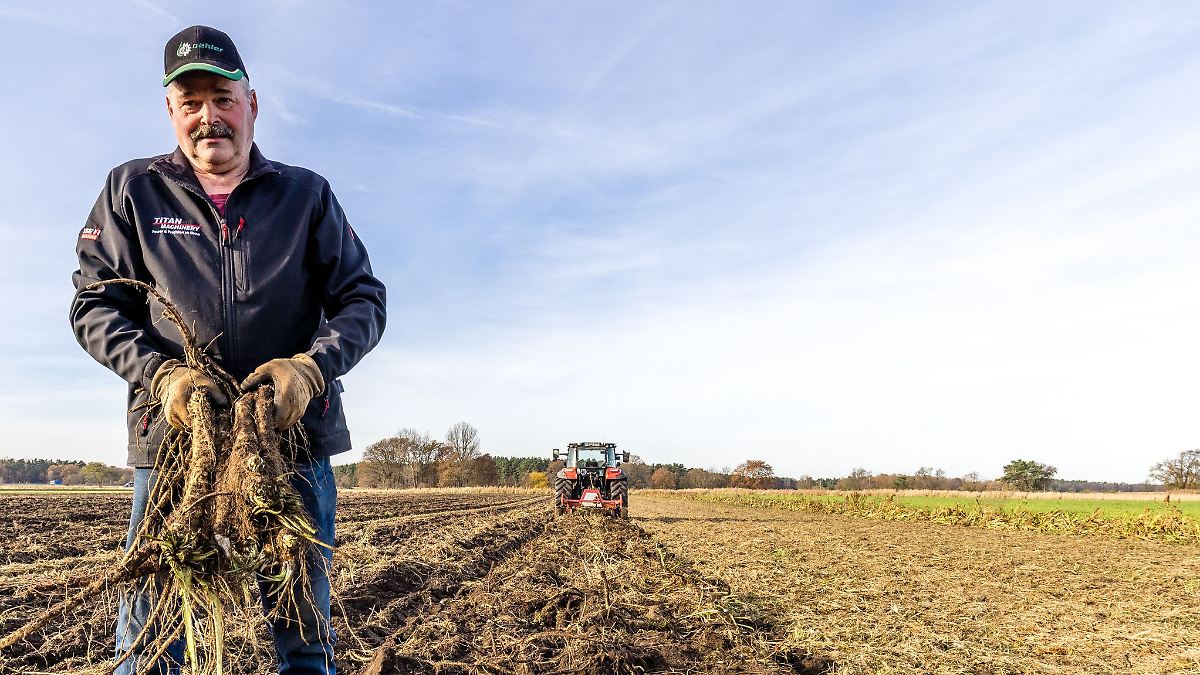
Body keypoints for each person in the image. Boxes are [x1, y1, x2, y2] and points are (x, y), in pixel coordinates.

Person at [69, 25, 386, 675]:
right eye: (190, 102)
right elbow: (93, 305)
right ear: (171, 112)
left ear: (252, 103)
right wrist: (161, 377)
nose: (208, 116)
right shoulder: (133, 192)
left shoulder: (306, 196)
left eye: (222, 96)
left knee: (302, 630)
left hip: (290, 444)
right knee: (154, 633)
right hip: (175, 445)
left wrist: (311, 368)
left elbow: (363, 300)